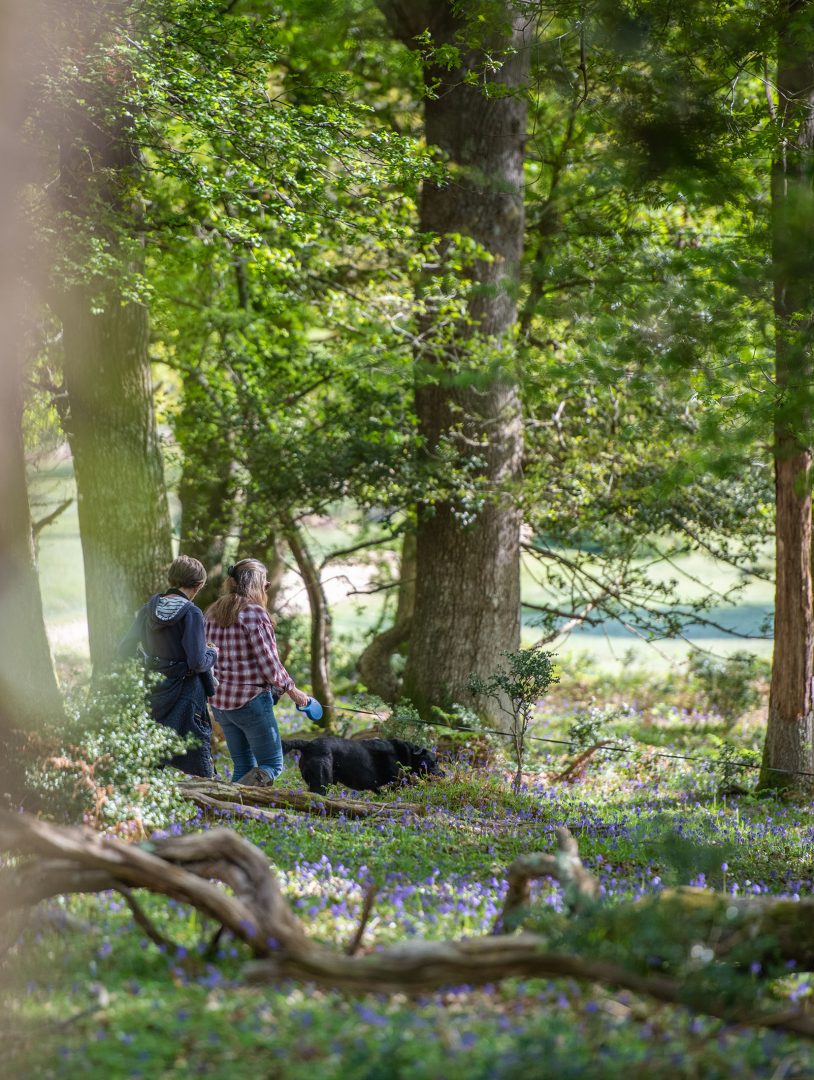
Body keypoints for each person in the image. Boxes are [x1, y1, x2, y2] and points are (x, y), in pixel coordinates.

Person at [204, 558, 309, 786]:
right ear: (257, 584)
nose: (266, 588)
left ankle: (230, 808)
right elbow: (270, 664)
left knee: (243, 765)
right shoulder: (254, 614)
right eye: (265, 584)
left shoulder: (211, 612)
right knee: (272, 765)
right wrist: (294, 692)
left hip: (220, 703)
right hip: (250, 701)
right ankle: (235, 803)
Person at [119, 555, 217, 778]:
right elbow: (197, 661)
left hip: (155, 688)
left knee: (153, 753)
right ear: (199, 585)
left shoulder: (146, 610)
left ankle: (145, 798)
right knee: (197, 747)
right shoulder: (191, 613)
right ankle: (212, 798)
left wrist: (149, 663)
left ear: (172, 578)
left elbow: (125, 649)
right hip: (186, 692)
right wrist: (213, 653)